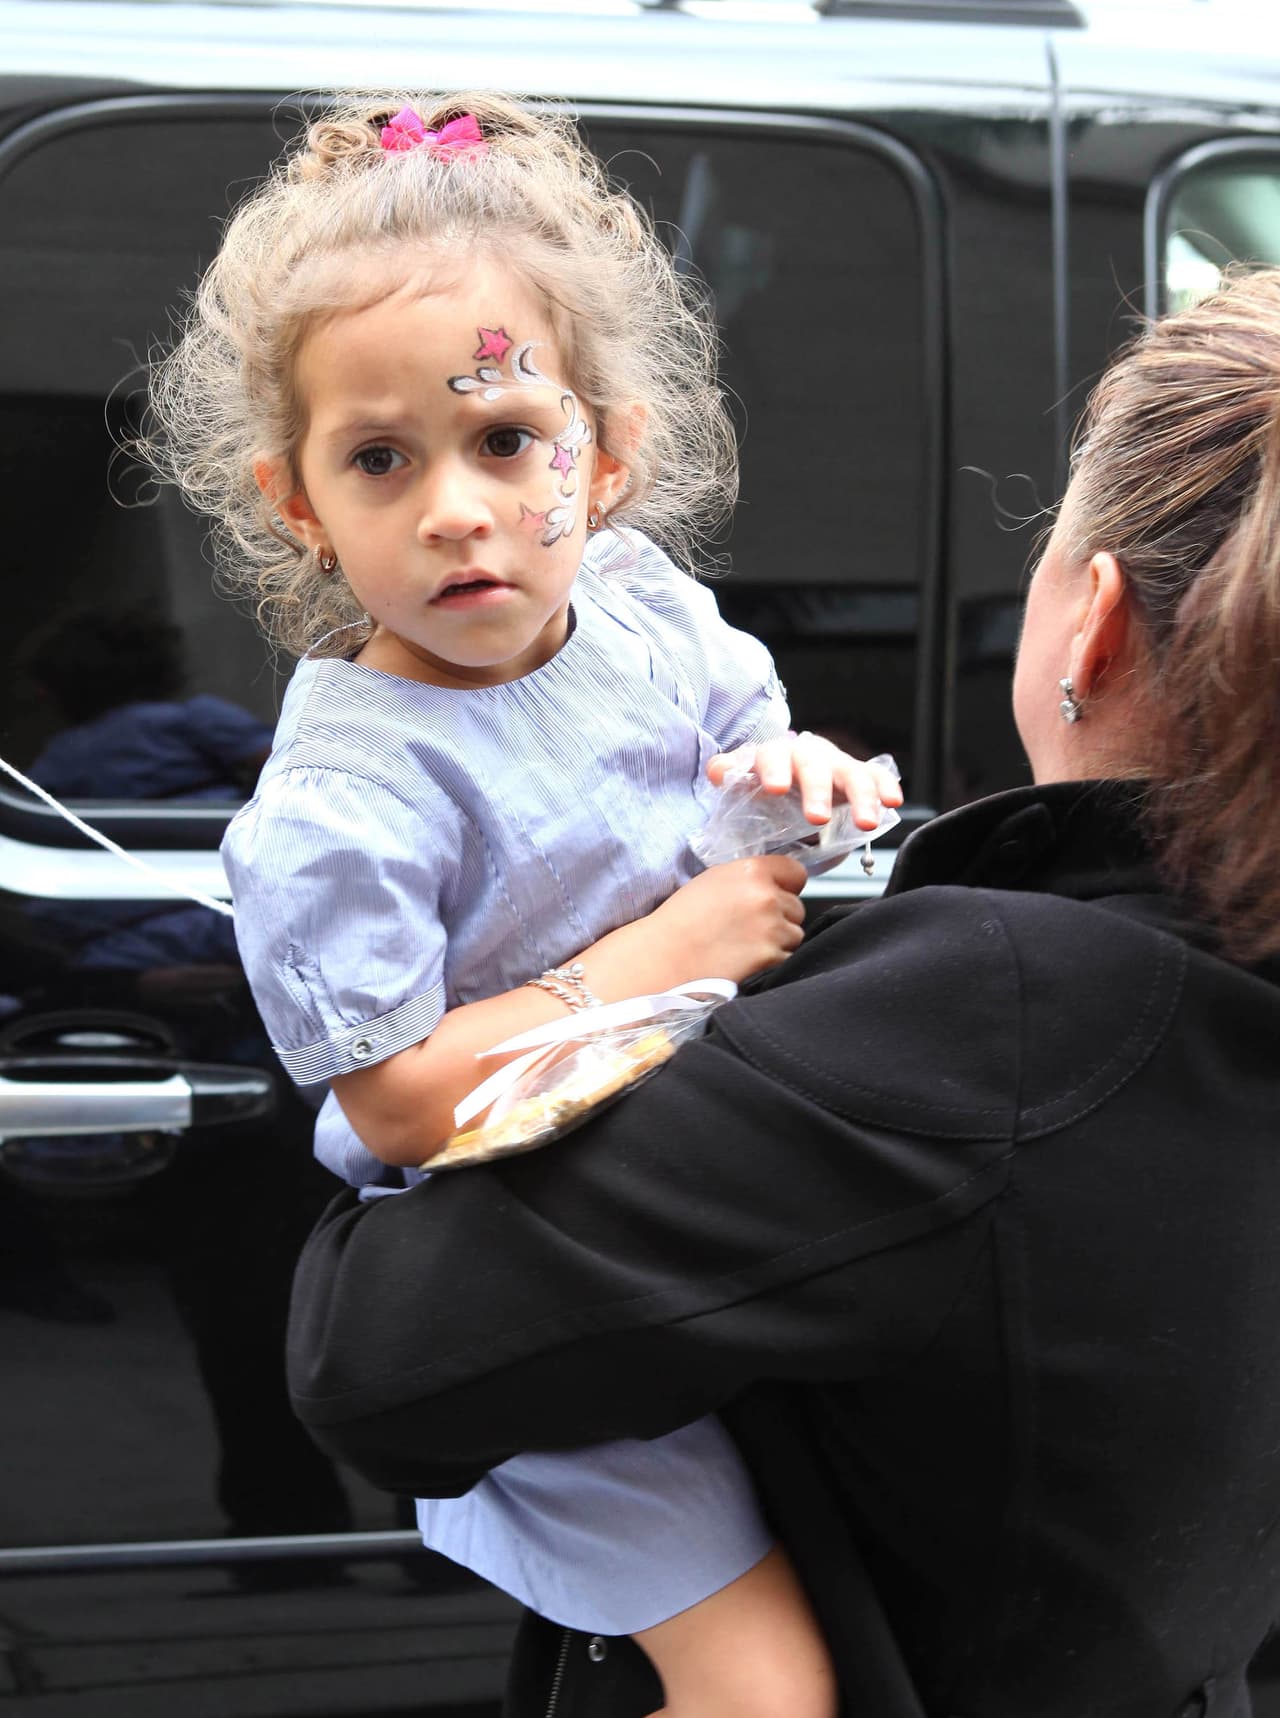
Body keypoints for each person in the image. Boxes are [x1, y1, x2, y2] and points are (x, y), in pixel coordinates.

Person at [284, 264, 1280, 1718]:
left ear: (1094, 626)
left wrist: (619, 972)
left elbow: (372, 1352)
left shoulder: (1001, 1014)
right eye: (384, 456)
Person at [145, 91, 904, 1718]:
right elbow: (400, 1102)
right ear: (298, 502)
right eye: (379, 458)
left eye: (506, 440)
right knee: (766, 1690)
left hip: (719, 1207)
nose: (456, 509)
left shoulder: (642, 615)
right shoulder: (346, 806)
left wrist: (807, 783)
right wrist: (658, 956)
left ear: (607, 456)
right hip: (543, 1277)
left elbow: (737, 781)